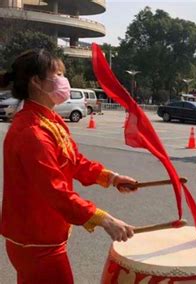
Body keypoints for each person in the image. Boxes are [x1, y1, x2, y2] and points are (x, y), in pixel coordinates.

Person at [0, 50, 138, 283]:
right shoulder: (32, 131)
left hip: (42, 237)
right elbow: (54, 190)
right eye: (59, 74)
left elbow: (75, 162)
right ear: (36, 81)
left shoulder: (49, 120)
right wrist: (104, 219)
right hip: (36, 241)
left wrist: (112, 178)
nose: (65, 80)